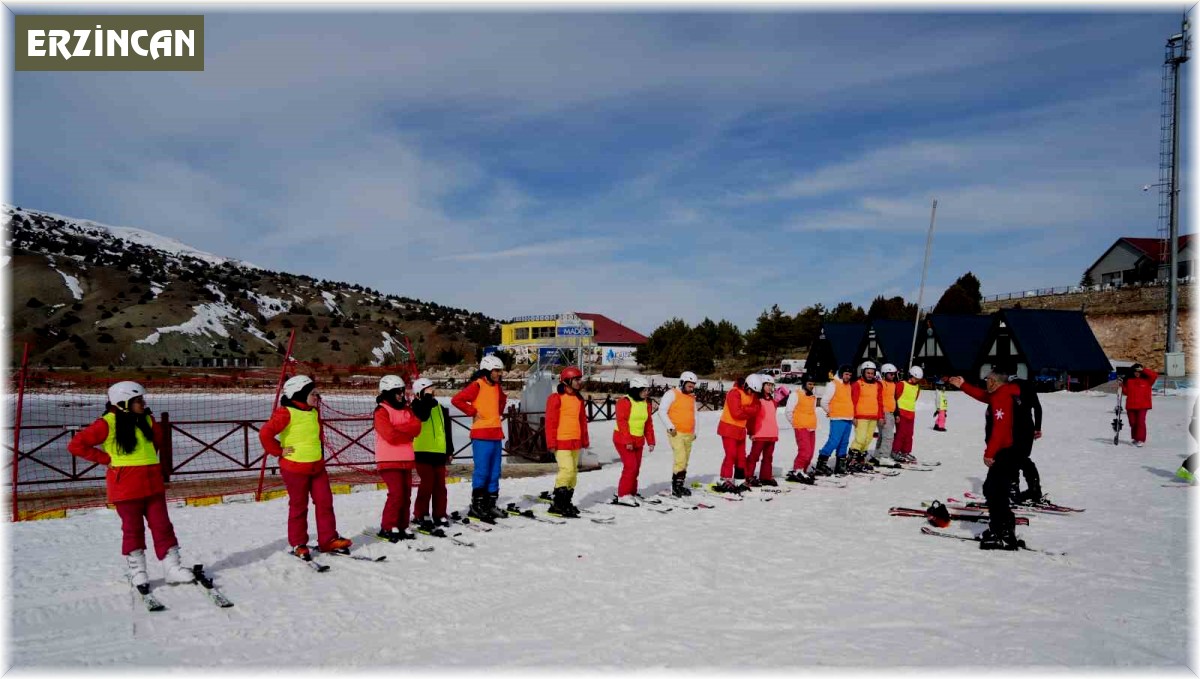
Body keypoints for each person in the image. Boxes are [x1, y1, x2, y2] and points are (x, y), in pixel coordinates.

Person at [68, 381, 196, 586]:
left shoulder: (147, 420)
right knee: (133, 529)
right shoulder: (106, 423)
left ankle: (172, 568)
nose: (143, 403)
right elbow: (76, 445)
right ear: (123, 402)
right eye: (138, 400)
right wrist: (106, 459)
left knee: (163, 526)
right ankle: (138, 573)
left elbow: (157, 440)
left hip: (152, 484)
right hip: (125, 487)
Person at [259, 375, 353, 557]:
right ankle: (298, 543)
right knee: (299, 506)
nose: (317, 397)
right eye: (313, 393)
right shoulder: (286, 412)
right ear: (299, 394)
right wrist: (279, 451)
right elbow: (265, 433)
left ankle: (328, 540)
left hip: (317, 467)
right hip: (294, 469)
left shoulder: (313, 412)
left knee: (325, 502)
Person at [948, 367, 1032, 551]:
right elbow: (984, 396)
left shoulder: (1001, 397)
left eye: (987, 380)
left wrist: (989, 453)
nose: (985, 382)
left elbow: (1000, 430)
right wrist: (963, 385)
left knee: (995, 491)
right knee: (995, 489)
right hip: (1012, 451)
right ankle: (1005, 528)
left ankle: (1001, 532)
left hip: (1006, 451)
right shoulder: (1005, 392)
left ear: (994, 381)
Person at [452, 355, 509, 522]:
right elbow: (457, 400)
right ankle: (477, 506)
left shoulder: (496, 387)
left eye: (500, 371)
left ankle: (490, 504)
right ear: (487, 370)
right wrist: (472, 412)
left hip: (496, 434)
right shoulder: (477, 385)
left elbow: (498, 409)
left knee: (494, 472)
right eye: (496, 371)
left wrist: (503, 396)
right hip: (481, 435)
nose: (499, 374)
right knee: (482, 471)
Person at [372, 375, 423, 541]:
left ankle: (402, 525)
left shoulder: (406, 409)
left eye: (402, 391)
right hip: (388, 459)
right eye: (397, 392)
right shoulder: (381, 411)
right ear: (387, 393)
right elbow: (389, 435)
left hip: (406, 459)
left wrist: (400, 428)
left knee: (406, 494)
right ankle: (388, 526)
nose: (401, 395)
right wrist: (405, 431)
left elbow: (416, 427)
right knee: (396, 494)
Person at [410, 376, 455, 531]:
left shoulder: (440, 408)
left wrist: (449, 449)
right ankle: (420, 514)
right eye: (427, 391)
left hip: (439, 453)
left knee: (440, 487)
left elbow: (446, 430)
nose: (431, 394)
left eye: (432, 391)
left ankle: (439, 514)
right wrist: (426, 398)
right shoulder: (415, 406)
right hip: (422, 451)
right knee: (426, 485)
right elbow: (423, 415)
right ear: (418, 394)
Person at [544, 366, 589, 517]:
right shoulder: (556, 398)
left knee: (574, 473)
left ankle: (566, 503)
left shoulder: (578, 398)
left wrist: (585, 440)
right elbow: (550, 422)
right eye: (576, 379)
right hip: (561, 441)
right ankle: (557, 504)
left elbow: (582, 421)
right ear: (567, 381)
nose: (579, 382)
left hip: (575, 441)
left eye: (579, 379)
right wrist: (551, 443)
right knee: (567, 470)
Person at [612, 377, 656, 505]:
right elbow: (622, 422)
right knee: (630, 467)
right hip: (622, 439)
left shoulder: (646, 403)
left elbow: (648, 423)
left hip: (638, 440)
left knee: (636, 468)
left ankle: (631, 492)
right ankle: (623, 494)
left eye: (647, 390)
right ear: (635, 390)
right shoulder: (624, 402)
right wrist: (628, 441)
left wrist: (651, 441)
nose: (646, 392)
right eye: (643, 390)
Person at [715, 374, 762, 492]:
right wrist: (749, 411)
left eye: (754, 392)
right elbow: (736, 413)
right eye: (751, 390)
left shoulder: (752, 396)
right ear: (746, 385)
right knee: (731, 455)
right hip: (728, 428)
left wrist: (745, 410)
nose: (752, 394)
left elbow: (757, 409)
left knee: (741, 456)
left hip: (740, 430)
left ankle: (739, 479)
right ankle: (724, 479)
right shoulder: (734, 393)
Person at [656, 371, 699, 497]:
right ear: (682, 383)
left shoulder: (691, 397)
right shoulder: (671, 394)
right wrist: (670, 426)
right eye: (689, 386)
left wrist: (696, 431)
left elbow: (696, 415)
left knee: (685, 460)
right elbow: (662, 411)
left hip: (689, 433)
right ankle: (675, 487)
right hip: (676, 433)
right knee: (680, 458)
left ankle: (680, 485)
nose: (691, 388)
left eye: (693, 386)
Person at [1007, 373, 1045, 505]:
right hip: (1028, 427)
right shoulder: (1027, 384)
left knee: (1012, 459)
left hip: (1014, 428)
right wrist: (1037, 428)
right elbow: (1038, 407)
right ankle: (1034, 489)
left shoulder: (1008, 386)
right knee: (1023, 458)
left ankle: (1013, 491)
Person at [816, 365, 855, 476]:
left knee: (844, 442)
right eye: (846, 374)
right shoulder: (833, 384)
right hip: (838, 418)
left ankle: (840, 465)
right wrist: (831, 412)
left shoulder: (848, 386)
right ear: (842, 373)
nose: (848, 377)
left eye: (850, 375)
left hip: (848, 418)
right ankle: (821, 464)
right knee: (834, 441)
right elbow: (824, 402)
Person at [848, 361, 885, 471]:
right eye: (868, 373)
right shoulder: (857, 384)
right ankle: (852, 459)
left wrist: (881, 416)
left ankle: (861, 459)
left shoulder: (878, 385)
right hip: (861, 416)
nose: (870, 375)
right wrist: (853, 416)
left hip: (873, 416)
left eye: (872, 373)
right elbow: (853, 401)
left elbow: (880, 401)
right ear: (863, 372)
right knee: (860, 438)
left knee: (868, 439)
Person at [746, 373, 781, 486]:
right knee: (754, 456)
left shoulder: (772, 401)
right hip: (759, 434)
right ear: (762, 385)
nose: (770, 388)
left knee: (768, 457)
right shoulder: (757, 400)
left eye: (771, 385)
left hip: (771, 433)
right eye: (767, 385)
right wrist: (751, 432)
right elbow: (751, 418)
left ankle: (765, 477)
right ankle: (748, 475)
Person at [784, 373, 819, 484]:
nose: (811, 386)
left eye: (813, 384)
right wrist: (796, 423)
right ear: (804, 383)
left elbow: (812, 410)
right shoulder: (796, 394)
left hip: (811, 427)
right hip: (801, 427)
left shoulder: (813, 396)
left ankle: (803, 470)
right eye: (809, 384)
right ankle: (797, 470)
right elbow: (788, 411)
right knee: (805, 451)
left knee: (811, 452)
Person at [1121, 363, 1159, 447]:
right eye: (1135, 371)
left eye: (1139, 371)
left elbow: (1154, 375)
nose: (1137, 373)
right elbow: (1126, 392)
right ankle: (1135, 438)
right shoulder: (1129, 381)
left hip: (1143, 405)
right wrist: (1121, 386)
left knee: (1140, 422)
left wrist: (1143, 369)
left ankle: (1141, 439)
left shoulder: (1148, 380)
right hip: (1131, 405)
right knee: (1133, 423)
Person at [891, 366, 923, 463]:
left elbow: (915, 398)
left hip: (911, 413)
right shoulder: (901, 384)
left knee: (909, 434)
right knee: (901, 434)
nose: (916, 381)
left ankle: (905, 451)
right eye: (915, 378)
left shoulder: (917, 387)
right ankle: (895, 451)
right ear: (910, 375)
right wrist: (896, 413)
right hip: (901, 413)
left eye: (918, 379)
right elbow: (895, 397)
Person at [875, 364, 900, 462]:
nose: (893, 376)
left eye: (894, 374)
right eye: (891, 374)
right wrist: (880, 415)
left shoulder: (893, 385)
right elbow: (878, 400)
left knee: (882, 435)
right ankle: (884, 456)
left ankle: (877, 454)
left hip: (891, 413)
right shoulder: (880, 384)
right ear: (884, 374)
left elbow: (895, 400)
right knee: (889, 436)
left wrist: (897, 414)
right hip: (884, 413)